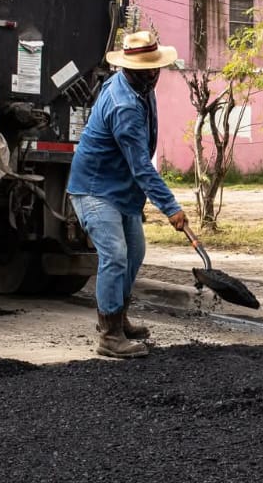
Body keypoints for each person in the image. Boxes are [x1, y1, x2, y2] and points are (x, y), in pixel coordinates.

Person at [67, 30, 188, 359]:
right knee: (116, 255)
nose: (152, 74)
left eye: (154, 67)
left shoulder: (140, 89)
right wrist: (171, 208)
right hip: (94, 188)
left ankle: (118, 317)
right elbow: (141, 166)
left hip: (119, 188)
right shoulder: (124, 105)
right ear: (129, 69)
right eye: (145, 69)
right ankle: (109, 335)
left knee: (135, 252)